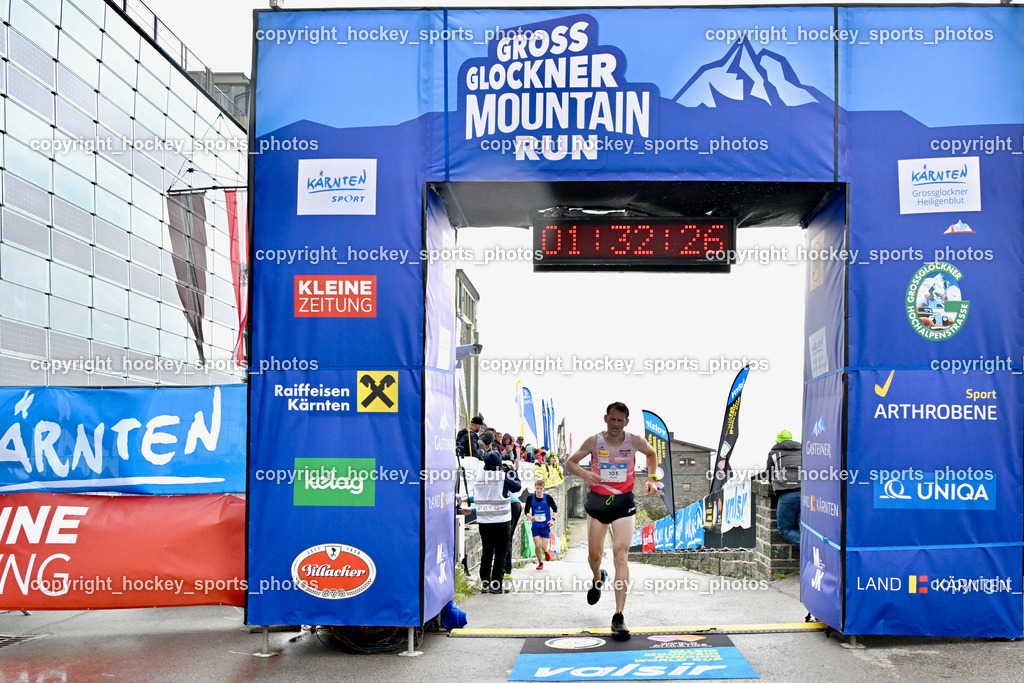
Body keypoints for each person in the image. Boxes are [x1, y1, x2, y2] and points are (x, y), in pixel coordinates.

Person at [566, 402, 657, 641]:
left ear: (626, 422)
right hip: (598, 501)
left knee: (620, 554)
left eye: (620, 420)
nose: (616, 424)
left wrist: (652, 479)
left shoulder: (634, 441)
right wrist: (585, 473)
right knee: (594, 556)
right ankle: (598, 577)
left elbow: (651, 454)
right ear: (605, 418)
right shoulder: (594, 442)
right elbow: (570, 463)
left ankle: (619, 616)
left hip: (623, 502)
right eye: (612, 419)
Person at [471, 432, 520, 593]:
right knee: (500, 553)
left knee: (487, 552)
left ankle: (485, 584)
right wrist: (512, 471)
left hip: (484, 522)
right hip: (502, 521)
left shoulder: (479, 478)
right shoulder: (502, 476)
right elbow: (517, 487)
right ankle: (496, 585)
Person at [766, 429, 802, 545]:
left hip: (787, 494)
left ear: (778, 441)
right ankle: (814, 549)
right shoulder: (803, 451)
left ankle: (808, 547)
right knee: (806, 527)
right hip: (806, 493)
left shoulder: (774, 453)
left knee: (785, 530)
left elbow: (769, 475)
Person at [524, 479, 558, 569]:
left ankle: (546, 552)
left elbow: (555, 509)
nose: (539, 490)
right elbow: (526, 511)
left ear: (544, 488)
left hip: (545, 526)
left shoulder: (548, 498)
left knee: (543, 547)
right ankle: (540, 562)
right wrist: (530, 517)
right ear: (535, 488)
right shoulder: (530, 498)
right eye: (537, 488)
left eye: (541, 488)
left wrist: (552, 520)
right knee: (537, 545)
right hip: (535, 525)